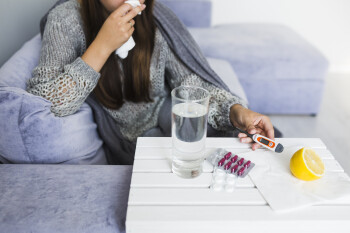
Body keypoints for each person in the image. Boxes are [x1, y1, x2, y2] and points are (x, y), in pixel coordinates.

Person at [27, 0, 277, 164]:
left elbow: (191, 83)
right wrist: (102, 45)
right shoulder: (65, 20)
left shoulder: (156, 19)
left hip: (165, 112)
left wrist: (236, 111)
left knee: (221, 137)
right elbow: (45, 103)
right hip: (126, 138)